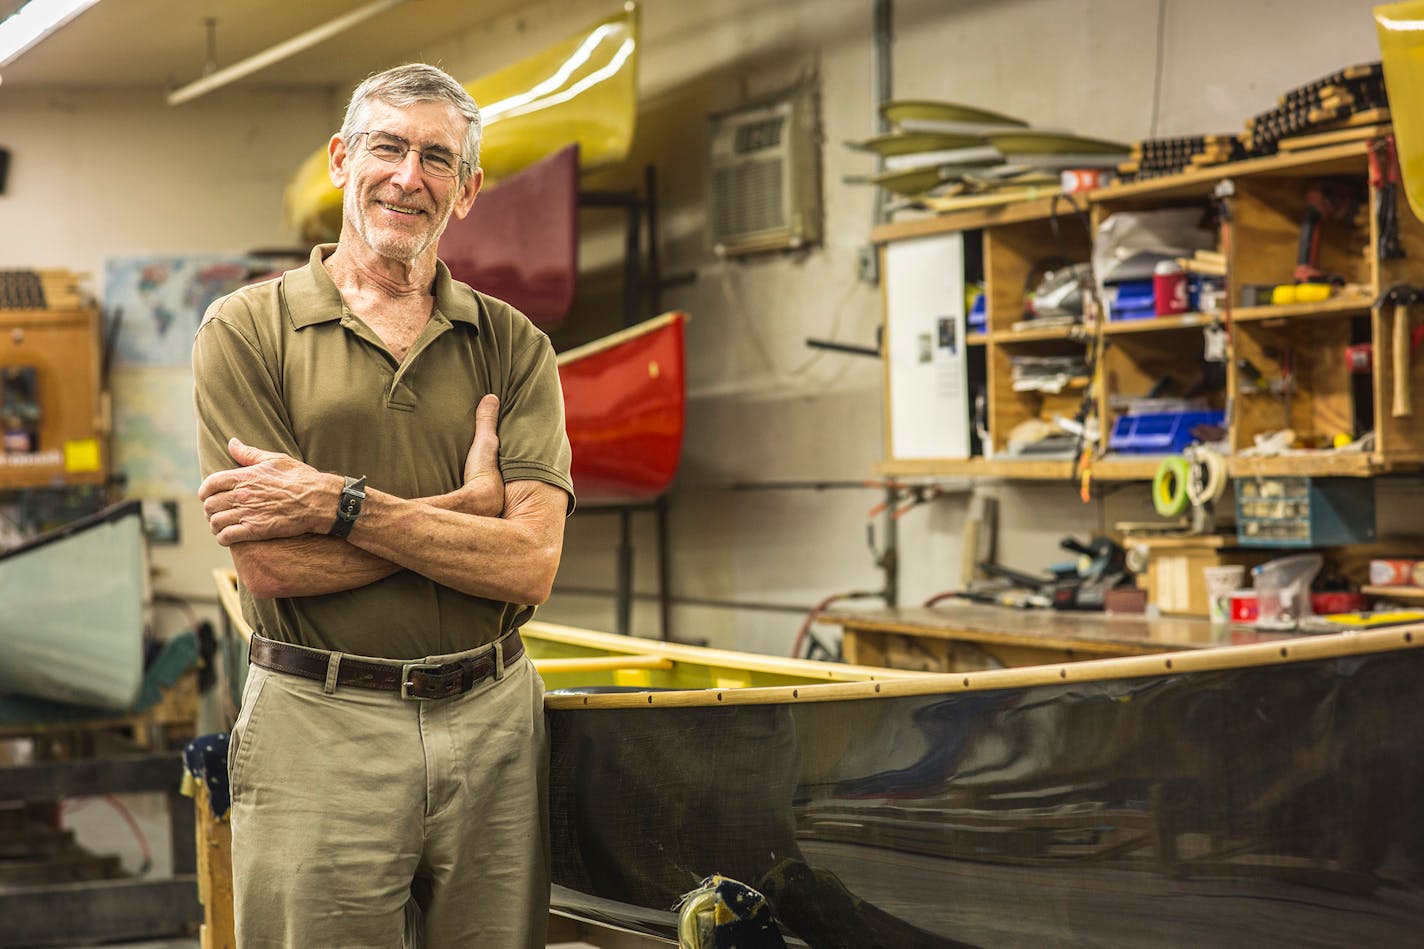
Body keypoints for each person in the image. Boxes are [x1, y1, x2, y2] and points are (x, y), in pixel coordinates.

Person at [192, 63, 574, 948]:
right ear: (340, 159)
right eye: (388, 147)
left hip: (495, 725)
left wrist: (338, 502)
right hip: (319, 723)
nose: (409, 177)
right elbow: (272, 565)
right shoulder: (246, 331)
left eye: (438, 158)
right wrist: (468, 511)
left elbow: (531, 563)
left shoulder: (516, 346)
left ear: (468, 190)